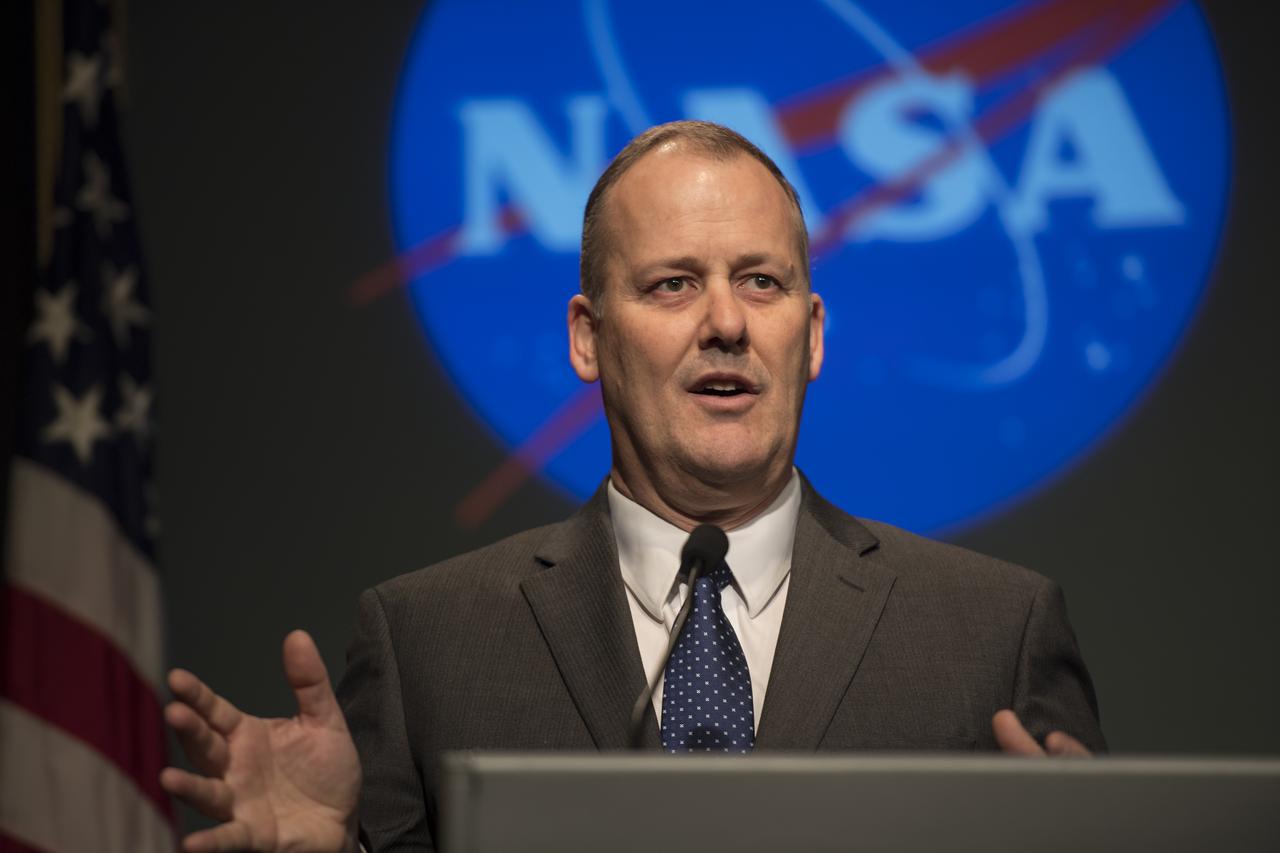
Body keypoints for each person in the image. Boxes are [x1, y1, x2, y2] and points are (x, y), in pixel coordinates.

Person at [160, 121, 1103, 853]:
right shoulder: (426, 642)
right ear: (586, 337)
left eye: (763, 282)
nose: (727, 321)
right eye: (672, 285)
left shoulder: (993, 633)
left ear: (811, 337)